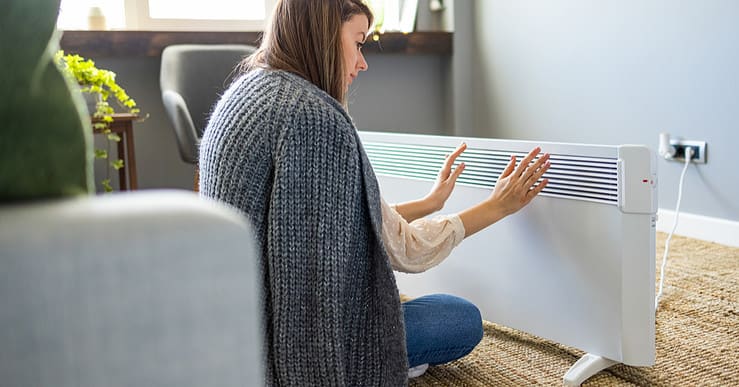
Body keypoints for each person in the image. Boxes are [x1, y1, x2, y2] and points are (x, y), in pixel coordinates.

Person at [198, 0, 550, 385]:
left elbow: (336, 221)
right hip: (282, 342)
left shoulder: (245, 94)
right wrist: (497, 207)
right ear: (324, 36)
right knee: (459, 318)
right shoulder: (314, 121)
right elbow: (407, 251)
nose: (362, 62)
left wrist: (430, 203)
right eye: (359, 42)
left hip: (234, 331)